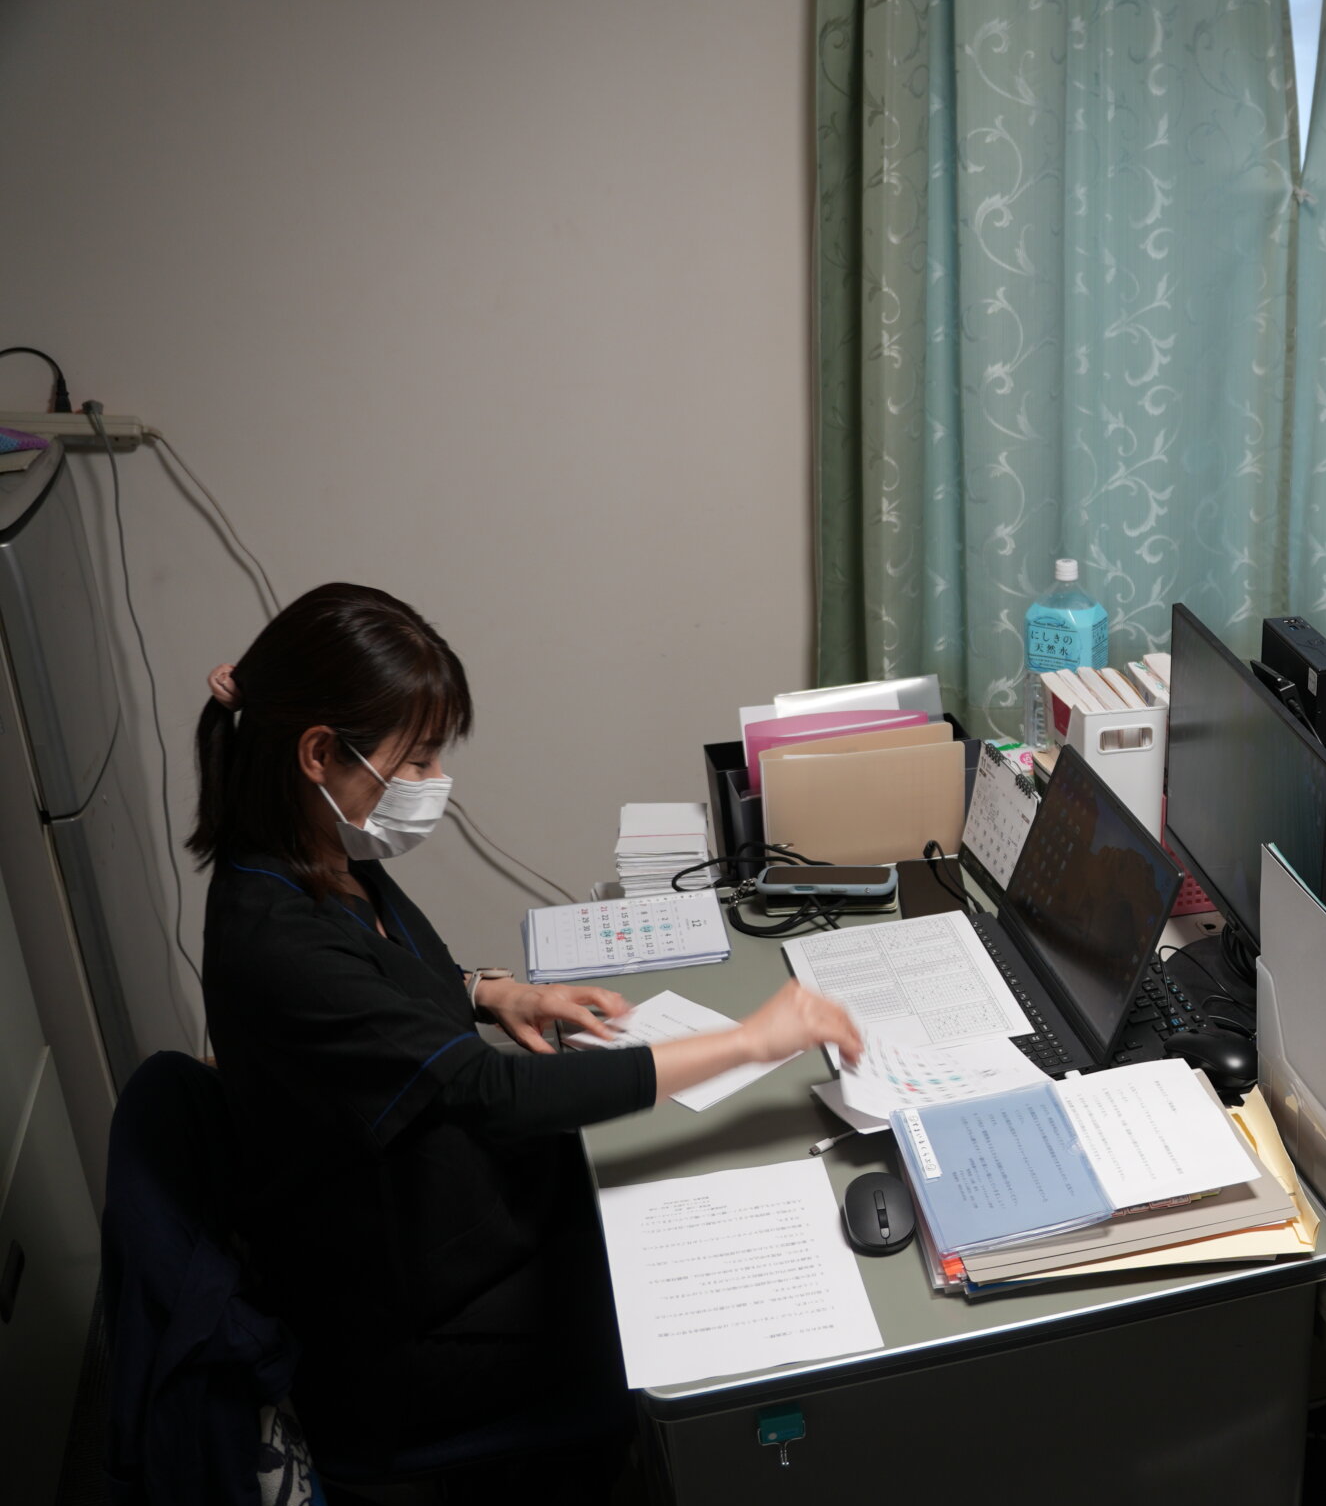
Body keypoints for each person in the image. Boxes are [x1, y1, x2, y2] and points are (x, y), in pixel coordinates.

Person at [191, 583, 865, 1459]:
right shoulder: (274, 935)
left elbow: (383, 986)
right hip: (407, 1328)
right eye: (416, 761)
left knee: (666, 1195)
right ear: (319, 752)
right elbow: (491, 1089)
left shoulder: (319, 854)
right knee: (703, 1308)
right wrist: (750, 1041)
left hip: (451, 1219)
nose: (434, 783)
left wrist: (490, 992)